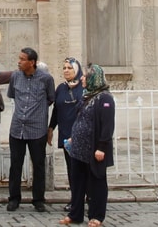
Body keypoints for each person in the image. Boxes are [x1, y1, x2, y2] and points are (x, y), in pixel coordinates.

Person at [58, 63, 115, 227]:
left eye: (85, 76)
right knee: (77, 182)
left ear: (92, 79)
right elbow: (80, 119)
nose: (81, 78)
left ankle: (96, 216)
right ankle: (75, 214)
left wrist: (102, 147)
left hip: (94, 149)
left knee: (96, 182)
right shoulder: (86, 95)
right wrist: (73, 138)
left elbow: (107, 125)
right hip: (78, 148)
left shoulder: (105, 98)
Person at [5, 47, 56, 213]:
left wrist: (38, 111)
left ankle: (38, 199)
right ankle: (14, 198)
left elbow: (50, 98)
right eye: (19, 58)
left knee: (38, 165)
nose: (19, 61)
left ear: (32, 62)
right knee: (15, 165)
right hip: (17, 127)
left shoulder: (46, 79)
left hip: (37, 129)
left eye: (22, 59)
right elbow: (12, 94)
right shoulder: (15, 77)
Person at [50, 57, 84, 213]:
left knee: (83, 169)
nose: (66, 70)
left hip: (81, 135)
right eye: (64, 68)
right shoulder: (61, 88)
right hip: (65, 134)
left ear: (76, 70)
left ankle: (89, 198)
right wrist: (51, 128)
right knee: (71, 169)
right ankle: (75, 200)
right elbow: (56, 110)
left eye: (69, 68)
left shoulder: (83, 88)